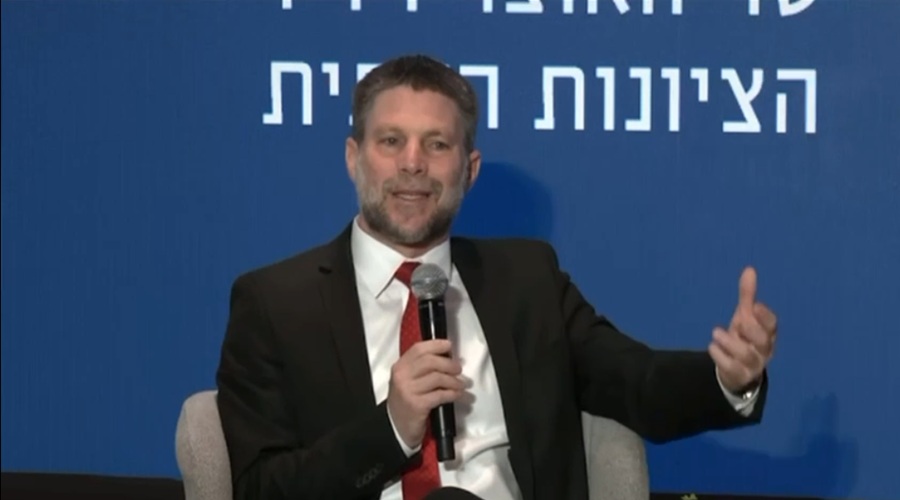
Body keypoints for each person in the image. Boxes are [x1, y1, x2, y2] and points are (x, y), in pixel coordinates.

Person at [215, 54, 778, 500]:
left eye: (437, 144)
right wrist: (392, 427)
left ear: (469, 170)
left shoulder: (527, 281)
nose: (413, 163)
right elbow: (260, 489)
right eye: (391, 141)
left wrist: (729, 379)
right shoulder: (275, 304)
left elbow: (635, 383)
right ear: (353, 158)